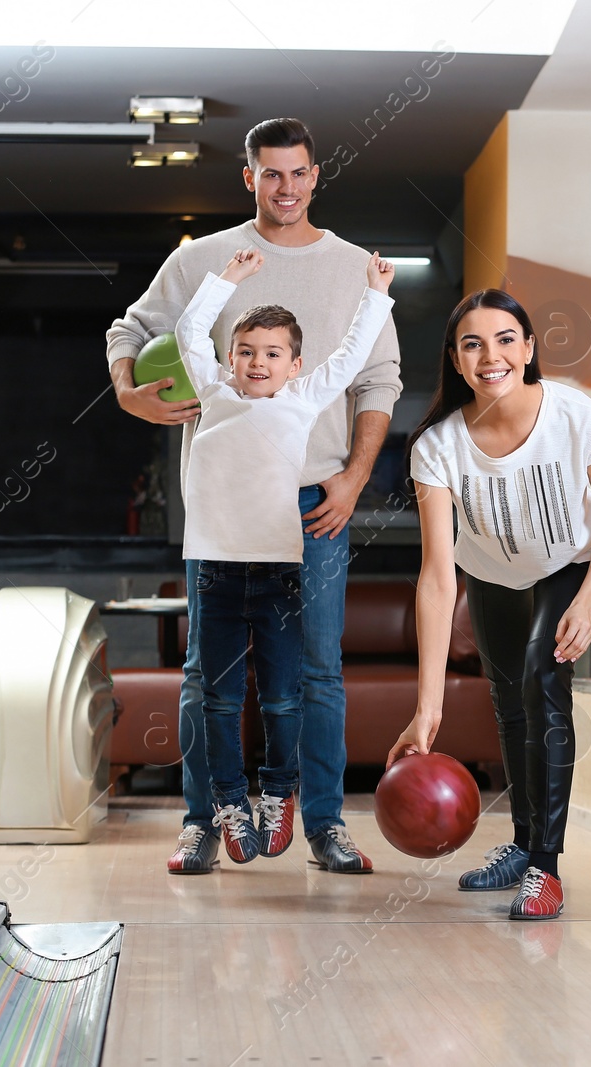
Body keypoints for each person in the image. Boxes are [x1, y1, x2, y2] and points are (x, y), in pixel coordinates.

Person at [105, 118, 403, 875]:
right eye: (271, 174)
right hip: (225, 523)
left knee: (314, 675)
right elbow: (133, 328)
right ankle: (205, 820)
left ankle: (323, 822)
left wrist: (355, 478)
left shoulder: (347, 265)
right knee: (210, 677)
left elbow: (373, 377)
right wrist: (129, 393)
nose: (287, 187)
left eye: (299, 172)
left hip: (315, 507)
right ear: (249, 177)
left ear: (315, 173)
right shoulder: (204, 259)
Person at [386, 289, 591, 920]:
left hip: (572, 564)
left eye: (503, 340)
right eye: (472, 343)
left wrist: (587, 598)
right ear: (456, 359)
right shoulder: (436, 447)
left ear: (527, 350)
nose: (489, 355)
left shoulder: (574, 416)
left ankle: (544, 870)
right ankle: (524, 847)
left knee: (542, 680)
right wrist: (427, 709)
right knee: (508, 700)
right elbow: (439, 579)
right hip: (491, 572)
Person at [173, 248, 395, 861]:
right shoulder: (215, 394)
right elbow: (190, 331)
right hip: (216, 571)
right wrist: (229, 280)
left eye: (272, 354)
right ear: (230, 360)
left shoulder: (303, 399)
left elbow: (352, 357)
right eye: (246, 352)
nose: (257, 362)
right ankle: (226, 805)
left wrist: (376, 292)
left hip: (278, 572)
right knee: (218, 695)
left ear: (295, 365)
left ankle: (279, 792)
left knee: (283, 696)